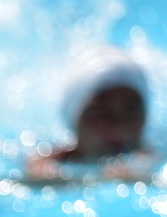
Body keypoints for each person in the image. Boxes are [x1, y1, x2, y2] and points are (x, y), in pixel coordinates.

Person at [23, 45, 156, 184]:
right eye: (101, 114)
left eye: (132, 112)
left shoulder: (152, 159)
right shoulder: (46, 161)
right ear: (75, 118)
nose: (118, 127)